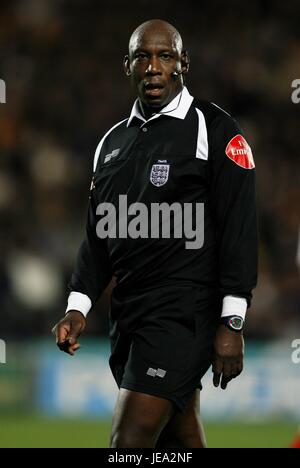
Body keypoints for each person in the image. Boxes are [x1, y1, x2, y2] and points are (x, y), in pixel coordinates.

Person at [52, 19, 258, 448]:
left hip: (184, 312)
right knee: (179, 443)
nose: (153, 67)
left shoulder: (214, 130)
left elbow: (240, 228)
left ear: (183, 63)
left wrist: (232, 320)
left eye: (165, 56)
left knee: (128, 443)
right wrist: (78, 305)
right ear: (126, 66)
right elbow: (98, 237)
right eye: (142, 57)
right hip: (129, 316)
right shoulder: (110, 144)